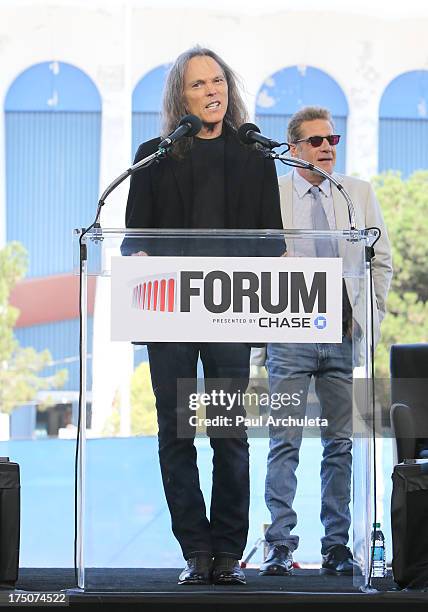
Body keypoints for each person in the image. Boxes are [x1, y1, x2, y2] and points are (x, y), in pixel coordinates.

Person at [125, 46, 282, 585]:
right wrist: (143, 259)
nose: (213, 91)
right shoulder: (155, 155)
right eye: (199, 84)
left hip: (230, 312)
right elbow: (133, 242)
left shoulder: (254, 156)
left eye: (219, 81)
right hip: (169, 312)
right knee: (176, 435)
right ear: (181, 97)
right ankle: (194, 550)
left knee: (228, 436)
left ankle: (226, 553)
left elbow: (273, 241)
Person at [255, 106, 393, 576]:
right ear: (293, 150)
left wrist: (367, 320)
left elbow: (381, 260)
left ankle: (336, 545)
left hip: (341, 332)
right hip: (289, 332)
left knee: (340, 444)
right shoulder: (270, 196)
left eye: (332, 139)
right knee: (284, 441)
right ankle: (279, 544)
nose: (327, 148)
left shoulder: (358, 193)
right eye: (316, 141)